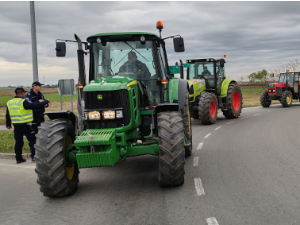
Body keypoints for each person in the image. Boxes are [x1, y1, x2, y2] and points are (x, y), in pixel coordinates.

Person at [6, 87, 50, 164]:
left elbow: (7, 114)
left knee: (18, 142)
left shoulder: (10, 102)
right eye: (24, 93)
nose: (25, 94)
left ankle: (18, 158)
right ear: (20, 93)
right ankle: (34, 157)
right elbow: (33, 105)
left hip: (16, 125)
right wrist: (45, 101)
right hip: (26, 125)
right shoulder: (23, 102)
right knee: (33, 140)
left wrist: (8, 124)